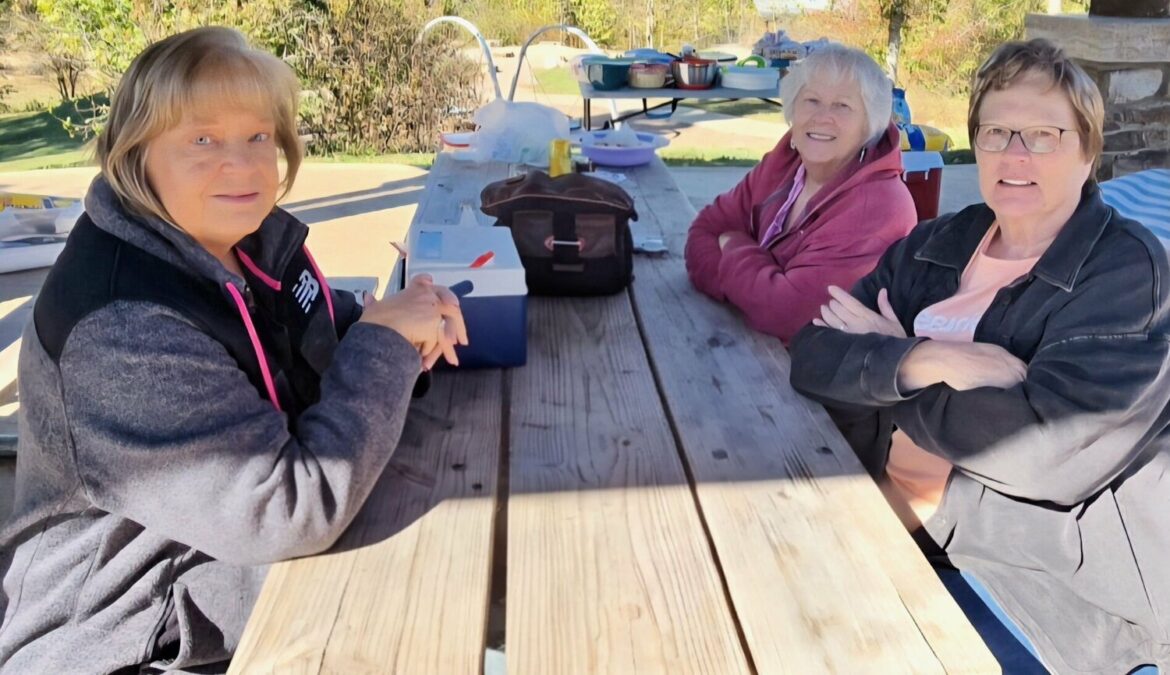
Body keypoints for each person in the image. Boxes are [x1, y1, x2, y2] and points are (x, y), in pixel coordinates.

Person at [0, 26, 468, 673]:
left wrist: (402, 324)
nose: (244, 165)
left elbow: (330, 338)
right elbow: (288, 511)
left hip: (227, 587)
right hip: (130, 637)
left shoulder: (244, 240)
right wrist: (388, 344)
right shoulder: (121, 325)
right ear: (135, 153)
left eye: (259, 136)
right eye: (202, 139)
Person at [790, 38, 1168, 674]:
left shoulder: (1127, 271)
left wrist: (885, 366)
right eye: (996, 132)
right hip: (874, 518)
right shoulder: (940, 242)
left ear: (1087, 152)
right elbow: (813, 354)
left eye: (1043, 134)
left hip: (1029, 581)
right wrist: (925, 358)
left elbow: (1045, 451)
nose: (1014, 154)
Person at [684, 43, 917, 343]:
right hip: (743, 342)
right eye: (812, 100)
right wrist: (754, 290)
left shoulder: (880, 206)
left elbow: (789, 314)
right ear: (793, 109)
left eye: (842, 106)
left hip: (810, 376)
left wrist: (733, 243)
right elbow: (702, 233)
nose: (822, 117)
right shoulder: (784, 164)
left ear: (868, 127)